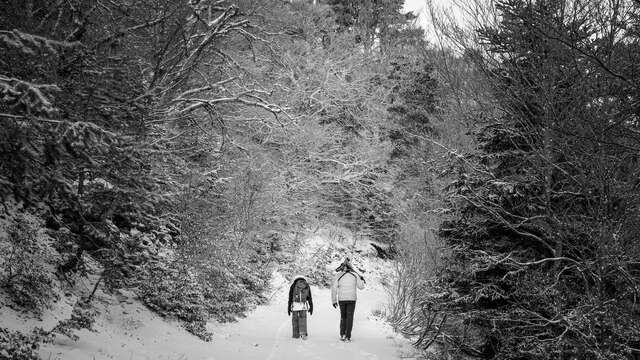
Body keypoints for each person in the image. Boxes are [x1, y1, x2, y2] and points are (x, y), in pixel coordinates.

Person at [331, 258, 365, 342]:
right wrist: (362, 280)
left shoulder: (338, 275)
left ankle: (342, 334)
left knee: (343, 317)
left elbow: (334, 289)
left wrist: (334, 300)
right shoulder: (355, 275)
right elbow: (361, 287)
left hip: (342, 299)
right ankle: (348, 336)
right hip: (351, 299)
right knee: (350, 317)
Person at [288, 275, 313, 340]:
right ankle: (303, 333)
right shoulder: (306, 285)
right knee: (303, 319)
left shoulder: (293, 285)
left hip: (295, 305)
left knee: (295, 319)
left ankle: (295, 335)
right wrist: (311, 306)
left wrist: (288, 307)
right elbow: (309, 297)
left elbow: (290, 297)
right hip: (303, 305)